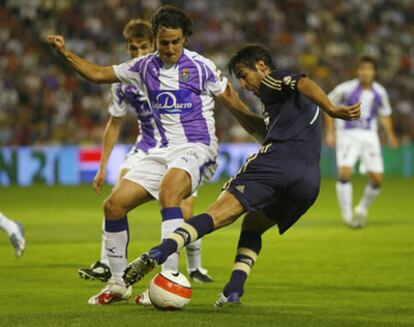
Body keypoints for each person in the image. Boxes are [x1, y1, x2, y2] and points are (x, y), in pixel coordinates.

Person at [47, 6, 265, 305]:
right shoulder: (142, 67)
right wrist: (65, 53)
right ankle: (117, 283)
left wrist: (262, 134)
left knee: (169, 192)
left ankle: (166, 279)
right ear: (156, 39)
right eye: (164, 42)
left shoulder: (201, 67)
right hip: (161, 150)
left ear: (184, 38)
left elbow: (233, 102)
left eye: (176, 41)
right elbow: (98, 74)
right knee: (113, 206)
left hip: (198, 147)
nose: (170, 48)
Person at [121, 45, 361, 306]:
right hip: (309, 182)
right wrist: (235, 107)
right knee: (252, 226)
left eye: (244, 75)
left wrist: (332, 109)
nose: (245, 84)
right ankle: (234, 290)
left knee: (215, 214)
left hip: (276, 164)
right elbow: (265, 126)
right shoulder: (283, 106)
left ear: (260, 65)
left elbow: (303, 82)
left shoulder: (273, 78)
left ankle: (160, 251)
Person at [76, 19, 212, 306]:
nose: (138, 52)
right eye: (132, 48)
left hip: (185, 149)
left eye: (142, 47)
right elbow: (113, 122)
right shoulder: (128, 79)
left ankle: (185, 270)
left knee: (180, 205)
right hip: (149, 148)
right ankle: (111, 272)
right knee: (115, 202)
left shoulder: (185, 69)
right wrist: (103, 166)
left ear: (152, 45)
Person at [325, 56, 398, 228]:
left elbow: (385, 114)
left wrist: (390, 135)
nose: (365, 72)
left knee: (377, 179)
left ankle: (362, 208)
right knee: (344, 173)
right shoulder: (345, 89)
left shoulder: (379, 92)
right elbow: (327, 106)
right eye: (362, 69)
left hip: (369, 135)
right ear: (357, 71)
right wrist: (330, 133)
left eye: (369, 69)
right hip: (347, 134)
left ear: (374, 72)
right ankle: (348, 216)